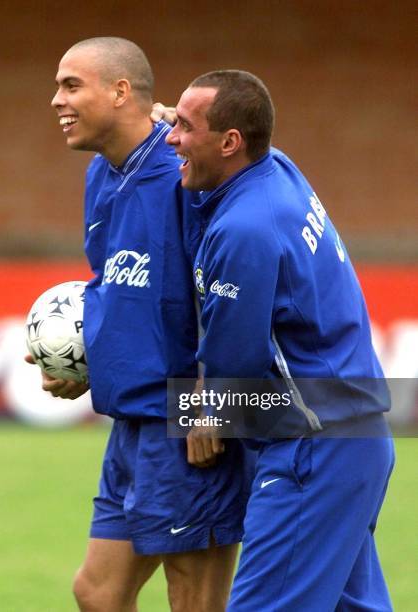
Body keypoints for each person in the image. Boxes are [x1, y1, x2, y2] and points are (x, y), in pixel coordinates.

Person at [28, 39, 252, 612]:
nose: (56, 100)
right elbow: (118, 287)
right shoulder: (101, 176)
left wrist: (213, 397)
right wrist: (89, 363)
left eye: (71, 85)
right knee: (97, 593)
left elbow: (230, 291)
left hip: (187, 418)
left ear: (121, 91)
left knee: (194, 600)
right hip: (131, 418)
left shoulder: (185, 172)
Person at [166, 70, 394, 611]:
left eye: (182, 125)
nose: (171, 136)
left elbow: (234, 359)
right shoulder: (276, 168)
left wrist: (207, 412)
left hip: (311, 450)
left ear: (229, 142)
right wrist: (163, 120)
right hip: (356, 438)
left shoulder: (245, 228)